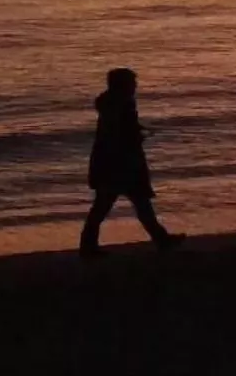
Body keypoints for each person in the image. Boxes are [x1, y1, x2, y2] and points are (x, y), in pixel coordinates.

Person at [79, 68, 185, 256]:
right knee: (117, 204)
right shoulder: (120, 104)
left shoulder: (114, 103)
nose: (135, 86)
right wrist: (136, 137)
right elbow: (119, 135)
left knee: (126, 204)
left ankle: (161, 239)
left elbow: (119, 129)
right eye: (132, 83)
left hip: (112, 162)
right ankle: (88, 247)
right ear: (123, 85)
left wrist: (136, 130)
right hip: (119, 163)